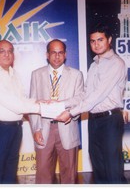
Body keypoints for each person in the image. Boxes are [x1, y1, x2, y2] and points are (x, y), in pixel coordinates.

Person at [55, 23, 127, 184]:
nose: (96, 44)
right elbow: (85, 94)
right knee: (99, 166)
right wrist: (61, 103)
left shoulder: (116, 63)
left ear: (109, 40)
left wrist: (71, 113)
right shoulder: (95, 65)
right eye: (93, 41)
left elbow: (96, 96)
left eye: (100, 40)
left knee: (112, 168)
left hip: (109, 120)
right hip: (94, 120)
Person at [0, 39, 41, 184]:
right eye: (2, 51)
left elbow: (22, 99)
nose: (7, 54)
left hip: (13, 130)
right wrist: (40, 108)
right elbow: (13, 103)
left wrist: (40, 102)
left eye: (10, 51)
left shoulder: (14, 74)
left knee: (9, 174)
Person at [29, 39, 84, 184]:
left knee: (69, 175)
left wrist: (65, 108)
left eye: (60, 53)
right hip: (44, 129)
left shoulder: (76, 75)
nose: (57, 56)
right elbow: (32, 104)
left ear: (65, 55)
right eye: (53, 52)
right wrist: (36, 129)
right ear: (47, 54)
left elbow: (80, 99)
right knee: (43, 175)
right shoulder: (36, 74)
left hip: (67, 126)